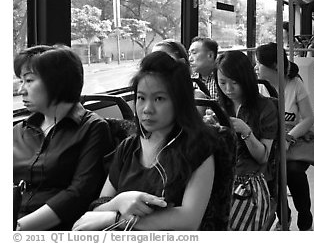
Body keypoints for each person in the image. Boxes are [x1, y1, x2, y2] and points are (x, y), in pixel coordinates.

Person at [72, 51, 217, 230]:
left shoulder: (198, 148)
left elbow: (188, 220)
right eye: (141, 98)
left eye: (159, 99)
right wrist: (119, 201)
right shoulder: (128, 147)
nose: (147, 109)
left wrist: (116, 218)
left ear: (180, 102)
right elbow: (98, 208)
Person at [13, 45, 114, 230]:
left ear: (56, 83)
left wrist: (19, 228)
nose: (21, 90)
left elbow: (79, 193)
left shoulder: (92, 128)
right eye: (21, 81)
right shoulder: (18, 130)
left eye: (28, 81)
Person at [255, 43, 314, 231]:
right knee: (270, 174)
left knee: (293, 172)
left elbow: (308, 119)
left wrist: (288, 138)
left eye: (259, 64)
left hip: (292, 137)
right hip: (268, 138)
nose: (255, 68)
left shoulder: (295, 84)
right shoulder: (257, 87)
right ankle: (284, 217)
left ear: (273, 65)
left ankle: (305, 217)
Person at [216, 51, 278, 230]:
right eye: (222, 83)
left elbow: (263, 158)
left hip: (250, 177)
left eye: (235, 83)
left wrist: (245, 131)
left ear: (247, 79)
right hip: (221, 174)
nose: (228, 89)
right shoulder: (219, 107)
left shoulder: (266, 107)